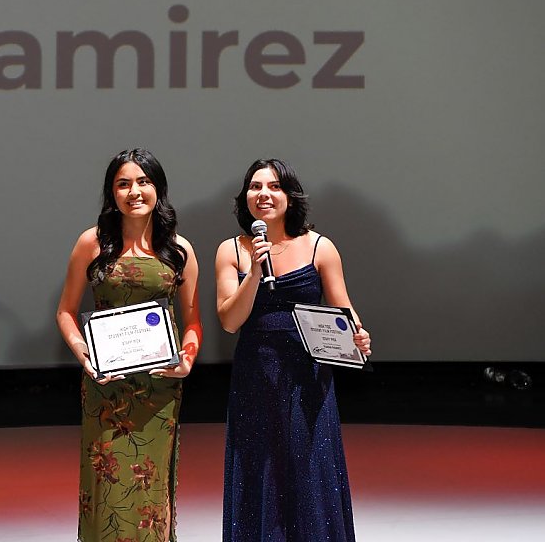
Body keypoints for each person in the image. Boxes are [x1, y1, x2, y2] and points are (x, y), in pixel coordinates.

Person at [215, 158, 371, 542]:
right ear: (245, 197)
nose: (264, 194)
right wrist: (254, 271)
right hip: (256, 375)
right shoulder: (230, 251)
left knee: (310, 470)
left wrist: (359, 334)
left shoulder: (319, 246)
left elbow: (343, 309)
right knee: (259, 469)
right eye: (255, 187)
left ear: (289, 195)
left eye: (274, 187)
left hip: (308, 377)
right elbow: (230, 321)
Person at [56, 148, 203, 542]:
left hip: (160, 389)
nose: (134, 191)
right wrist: (82, 352)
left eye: (143, 182)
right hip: (106, 387)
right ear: (112, 193)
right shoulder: (92, 243)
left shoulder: (180, 251)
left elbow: (193, 324)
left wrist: (187, 359)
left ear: (159, 189)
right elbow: (66, 312)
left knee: (152, 488)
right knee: (107, 487)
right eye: (123, 184)